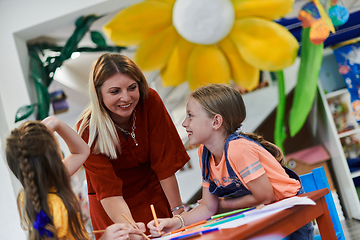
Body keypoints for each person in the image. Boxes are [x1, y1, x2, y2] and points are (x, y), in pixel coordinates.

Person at [148, 84, 314, 240]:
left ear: (216, 122)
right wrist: (175, 222)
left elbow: (265, 196)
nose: (184, 123)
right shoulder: (204, 152)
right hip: (266, 214)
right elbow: (207, 207)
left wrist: (223, 204)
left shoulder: (238, 150)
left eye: (190, 115)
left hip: (291, 212)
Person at [76, 53, 190, 238]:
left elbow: (164, 163)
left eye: (132, 88)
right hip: (111, 207)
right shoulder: (88, 130)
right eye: (115, 92)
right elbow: (108, 190)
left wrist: (179, 214)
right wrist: (130, 231)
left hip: (151, 195)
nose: (126, 97)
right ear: (99, 94)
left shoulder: (149, 101)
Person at [5, 116, 142, 240]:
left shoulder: (31, 195)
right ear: (55, 157)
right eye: (57, 144)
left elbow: (82, 151)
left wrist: (56, 122)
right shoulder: (57, 206)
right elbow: (81, 151)